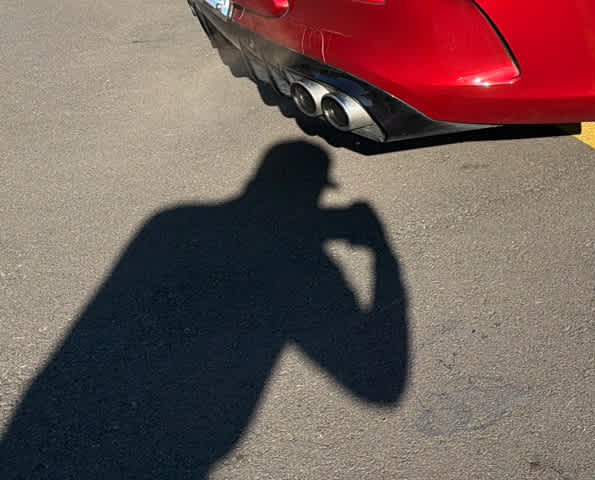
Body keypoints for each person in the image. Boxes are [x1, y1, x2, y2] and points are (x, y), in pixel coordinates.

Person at [0, 141, 409, 478]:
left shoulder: (172, 221)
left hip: (39, 422)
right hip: (177, 452)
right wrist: (381, 251)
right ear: (314, 191)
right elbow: (381, 388)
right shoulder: (308, 265)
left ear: (257, 179)